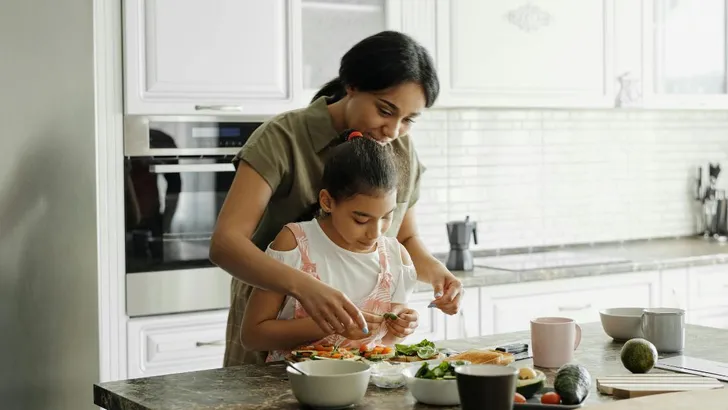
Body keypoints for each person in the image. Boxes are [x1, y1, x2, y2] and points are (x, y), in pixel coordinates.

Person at [210, 30, 464, 366]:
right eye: (385, 110)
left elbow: (403, 237)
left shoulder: (399, 147)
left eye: (408, 120)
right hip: (274, 322)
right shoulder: (282, 138)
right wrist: (305, 288)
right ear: (352, 86)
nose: (393, 130)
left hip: (358, 351)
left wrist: (438, 274)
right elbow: (225, 244)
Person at [241, 131, 418, 361]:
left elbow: (386, 343)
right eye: (361, 219)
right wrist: (329, 325)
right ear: (327, 201)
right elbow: (253, 336)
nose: (375, 232)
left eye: (387, 217)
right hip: (292, 387)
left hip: (366, 388)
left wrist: (401, 328)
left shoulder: (396, 257)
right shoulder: (295, 244)